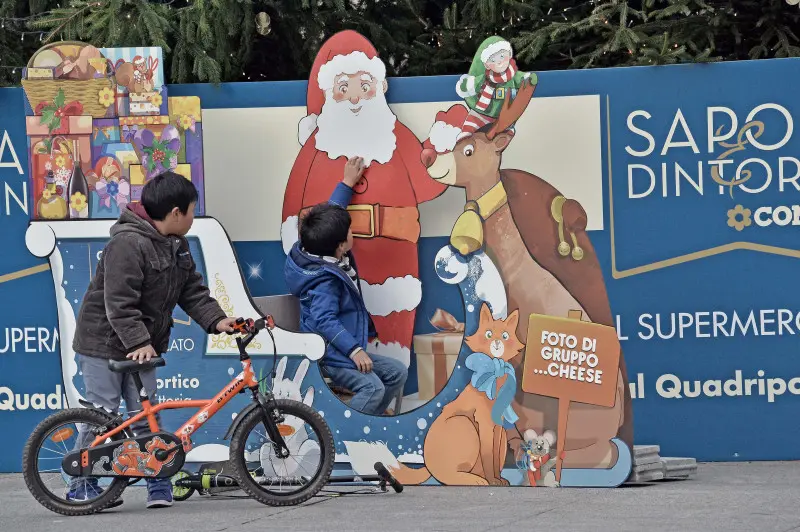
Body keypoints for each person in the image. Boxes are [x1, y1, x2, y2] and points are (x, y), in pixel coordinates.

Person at [70, 171, 237, 509]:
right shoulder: (127, 243)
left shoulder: (178, 245)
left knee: (146, 416)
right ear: (176, 213)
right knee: (103, 414)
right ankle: (80, 483)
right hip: (103, 343)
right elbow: (118, 302)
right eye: (192, 210)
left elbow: (193, 292)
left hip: (141, 346)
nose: (193, 216)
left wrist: (218, 320)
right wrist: (136, 342)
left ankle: (157, 481)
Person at [284, 156, 408, 416]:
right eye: (350, 233)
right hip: (331, 354)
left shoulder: (315, 245)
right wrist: (355, 351)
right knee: (372, 388)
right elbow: (324, 319)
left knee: (397, 372)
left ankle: (370, 420)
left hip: (342, 348)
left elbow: (331, 213)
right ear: (341, 246)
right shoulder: (324, 281)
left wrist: (347, 183)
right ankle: (343, 434)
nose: (353, 233)